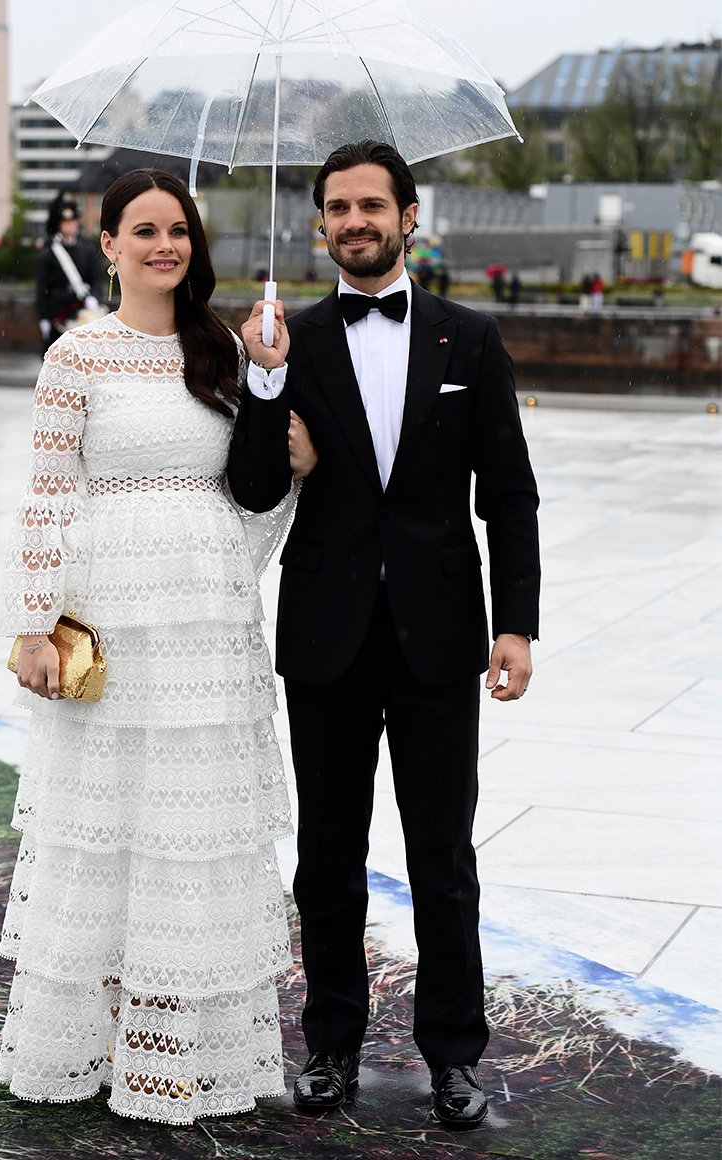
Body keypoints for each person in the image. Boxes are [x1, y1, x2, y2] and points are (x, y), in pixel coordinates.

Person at [228, 140, 540, 1128]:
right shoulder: (290, 339)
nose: (354, 221)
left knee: (443, 857)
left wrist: (517, 624)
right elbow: (254, 488)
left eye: (371, 205)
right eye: (337, 207)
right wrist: (266, 384)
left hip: (440, 634)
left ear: (409, 216)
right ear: (319, 222)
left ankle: (454, 1055)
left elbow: (510, 495)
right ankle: (330, 1045)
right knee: (327, 857)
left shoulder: (470, 337)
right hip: (328, 635)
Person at [0, 169, 316, 1125]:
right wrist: (31, 624)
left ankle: (171, 1054)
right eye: (144, 230)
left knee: (191, 837)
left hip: (205, 631)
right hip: (110, 623)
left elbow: (247, 495)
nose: (164, 245)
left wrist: (290, 453)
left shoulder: (224, 350)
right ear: (109, 246)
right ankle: (86, 1044)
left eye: (178, 230)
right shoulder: (76, 356)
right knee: (107, 830)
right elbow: (48, 495)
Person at [35, 193, 103, 351]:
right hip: (58, 311)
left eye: (72, 222)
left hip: (82, 309)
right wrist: (44, 317)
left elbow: (95, 278)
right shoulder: (50, 251)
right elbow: (42, 287)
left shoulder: (87, 249)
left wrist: (94, 297)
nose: (70, 226)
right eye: (65, 222)